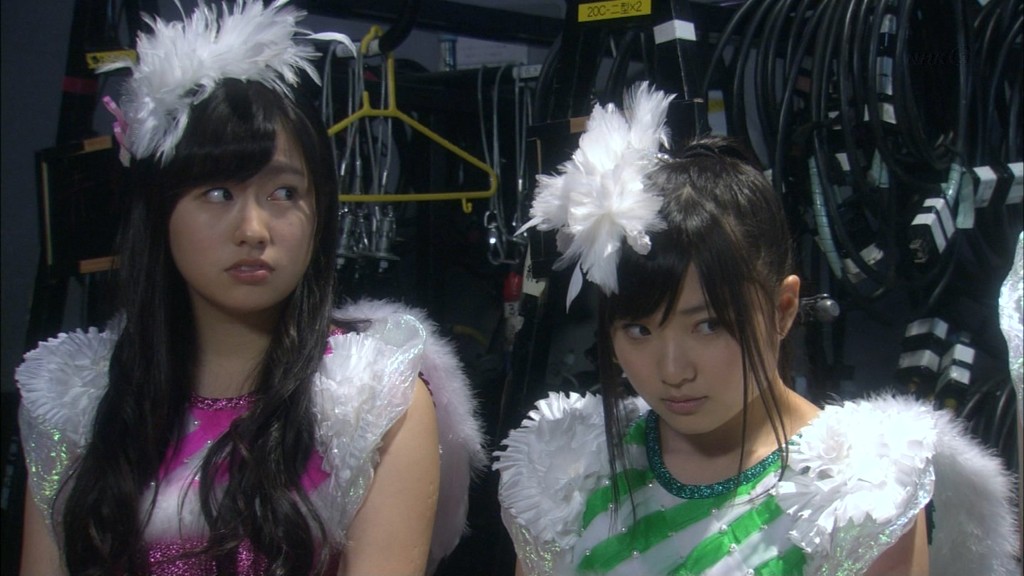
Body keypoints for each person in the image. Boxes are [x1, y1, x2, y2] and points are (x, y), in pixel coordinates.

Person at [16, 1, 484, 574]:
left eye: (284, 193)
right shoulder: (78, 400)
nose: (254, 229)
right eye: (219, 193)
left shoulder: (369, 402)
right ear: (159, 212)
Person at [494, 83, 1019, 575]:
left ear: (783, 308)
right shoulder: (570, 469)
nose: (672, 370)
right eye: (638, 330)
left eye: (708, 325)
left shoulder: (858, 491)